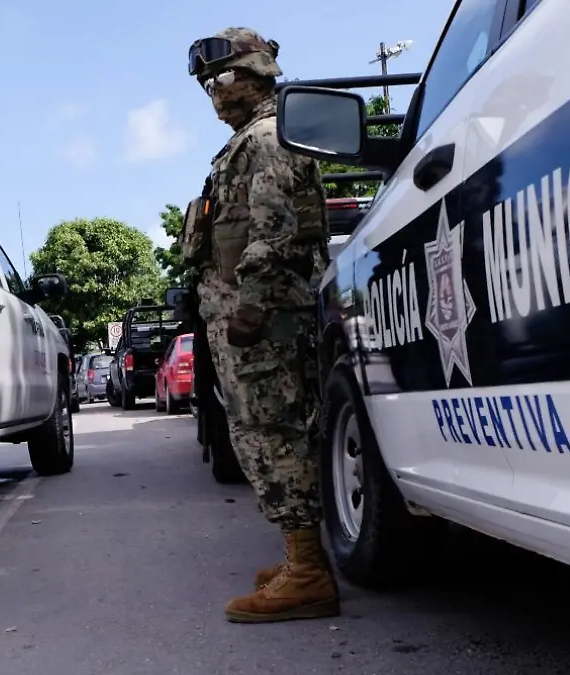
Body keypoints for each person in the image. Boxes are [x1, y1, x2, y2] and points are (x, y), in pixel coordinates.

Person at [183, 27, 337, 623]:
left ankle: (307, 574)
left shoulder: (269, 139)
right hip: (251, 316)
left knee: (274, 434)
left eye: (221, 78)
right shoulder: (248, 141)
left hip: (263, 319)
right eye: (206, 84)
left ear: (256, 73)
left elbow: (272, 234)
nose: (213, 92)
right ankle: (299, 558)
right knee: (264, 433)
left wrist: (250, 309)